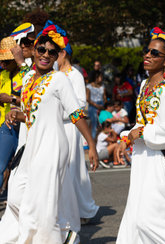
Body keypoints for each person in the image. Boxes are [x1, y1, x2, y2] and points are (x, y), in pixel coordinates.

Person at [0, 22, 99, 243]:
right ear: (34, 51)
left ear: (57, 56)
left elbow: (76, 114)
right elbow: (34, 114)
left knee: (42, 201)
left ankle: (58, 236)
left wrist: (91, 145)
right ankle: (61, 233)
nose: (46, 55)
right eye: (41, 50)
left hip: (53, 146)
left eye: (52, 52)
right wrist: (19, 115)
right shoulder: (29, 80)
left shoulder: (59, 79)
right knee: (16, 195)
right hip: (33, 145)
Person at [115, 27, 165, 243]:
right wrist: (125, 138)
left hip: (158, 161)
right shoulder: (145, 85)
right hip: (141, 159)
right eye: (147, 51)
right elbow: (141, 123)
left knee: (153, 220)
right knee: (137, 217)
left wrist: (141, 133)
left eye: (155, 53)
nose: (147, 55)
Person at [56, 40, 99, 222]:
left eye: (54, 52)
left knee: (74, 170)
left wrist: (59, 110)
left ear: (64, 53)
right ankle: (65, 209)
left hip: (71, 127)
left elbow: (81, 104)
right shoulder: (54, 74)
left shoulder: (75, 75)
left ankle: (83, 210)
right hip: (56, 127)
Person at [0, 37, 23, 191]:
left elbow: (35, 103)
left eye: (6, 62)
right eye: (1, 62)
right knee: (0, 165)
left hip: (25, 126)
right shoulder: (2, 76)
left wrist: (11, 99)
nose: (3, 65)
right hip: (6, 126)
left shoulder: (26, 75)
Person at [86, 71, 106, 139]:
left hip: (101, 105)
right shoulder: (89, 86)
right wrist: (96, 105)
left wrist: (104, 106)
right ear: (96, 77)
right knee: (94, 124)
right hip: (93, 105)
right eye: (100, 77)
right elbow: (87, 99)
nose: (101, 78)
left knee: (101, 123)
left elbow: (104, 97)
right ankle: (92, 139)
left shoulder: (102, 86)